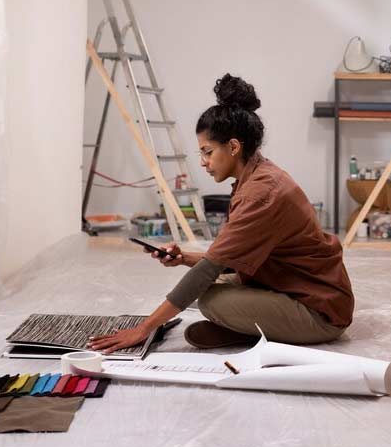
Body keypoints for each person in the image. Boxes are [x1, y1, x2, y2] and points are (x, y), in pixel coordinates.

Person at [89, 74, 354, 354]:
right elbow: (231, 257)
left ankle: (258, 331)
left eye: (207, 152)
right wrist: (183, 259)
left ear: (233, 147)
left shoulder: (260, 194)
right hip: (291, 287)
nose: (203, 162)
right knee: (208, 284)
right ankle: (254, 328)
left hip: (320, 313)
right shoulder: (255, 175)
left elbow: (211, 268)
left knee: (210, 298)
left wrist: (143, 329)